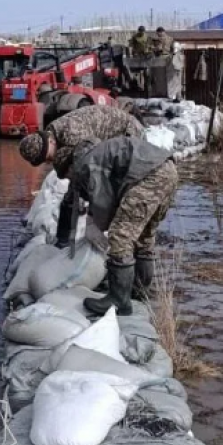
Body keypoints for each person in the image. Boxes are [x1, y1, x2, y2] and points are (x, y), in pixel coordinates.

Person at [66, 136, 178, 317]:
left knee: (120, 236)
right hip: (169, 170)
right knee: (144, 236)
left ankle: (119, 300)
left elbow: (103, 200)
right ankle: (139, 291)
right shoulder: (102, 152)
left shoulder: (87, 163)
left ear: (71, 165)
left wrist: (95, 224)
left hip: (151, 176)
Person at [18, 104, 144, 248]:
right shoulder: (56, 134)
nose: (49, 162)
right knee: (71, 196)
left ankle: (124, 245)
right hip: (107, 142)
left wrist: (92, 218)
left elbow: (95, 172)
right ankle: (62, 242)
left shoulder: (72, 133)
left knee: (119, 193)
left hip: (128, 136)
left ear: (50, 141)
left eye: (47, 157)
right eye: (44, 161)